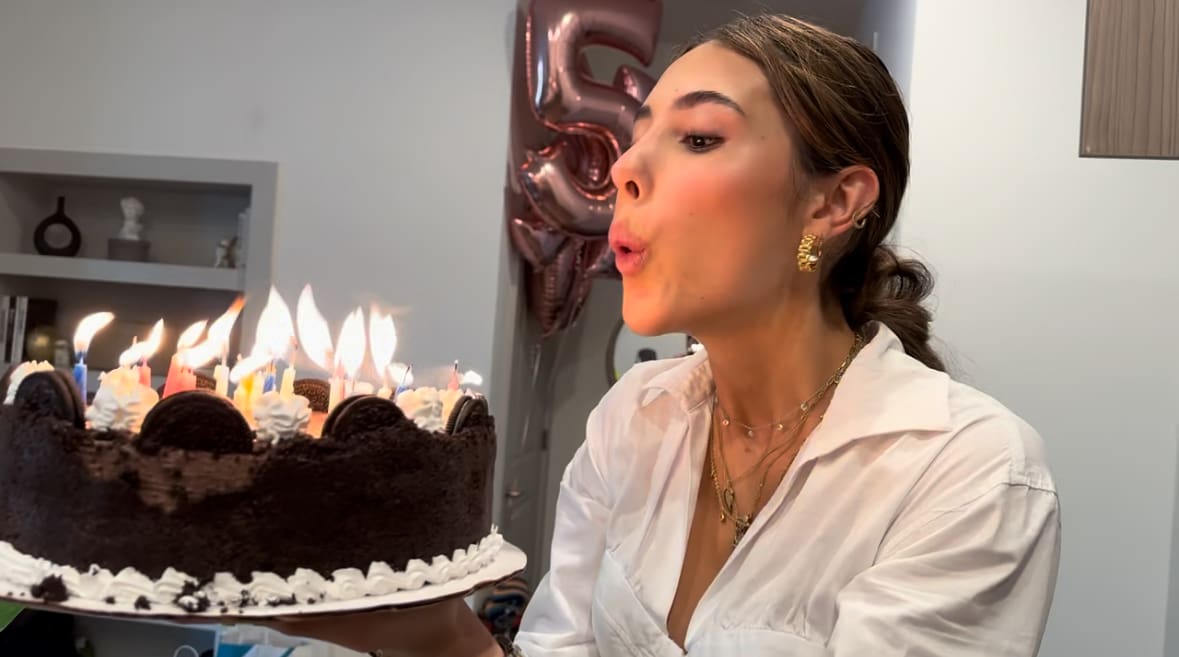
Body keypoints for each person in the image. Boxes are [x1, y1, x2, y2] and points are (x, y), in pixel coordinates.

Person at [265, 13, 1061, 656]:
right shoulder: (634, 418)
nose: (622, 170)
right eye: (637, 138)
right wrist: (440, 636)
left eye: (699, 138)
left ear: (831, 203)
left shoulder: (965, 469)